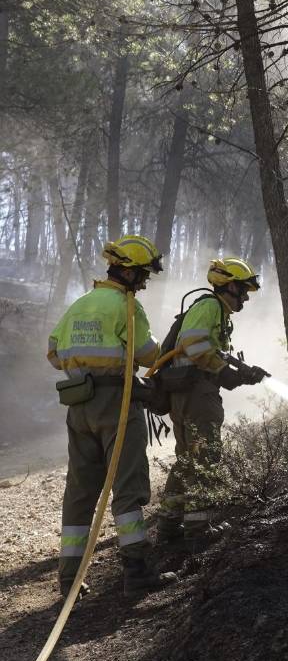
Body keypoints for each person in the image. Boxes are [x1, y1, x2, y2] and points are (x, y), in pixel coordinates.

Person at [47, 235, 173, 596]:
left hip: (79, 405)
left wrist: (85, 364)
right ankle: (137, 572)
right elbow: (149, 355)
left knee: (80, 491)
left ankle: (69, 579)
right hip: (117, 404)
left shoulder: (81, 303)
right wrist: (155, 354)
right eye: (144, 274)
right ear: (129, 273)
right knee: (128, 486)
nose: (146, 281)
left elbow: (54, 352)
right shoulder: (126, 305)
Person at [158, 257, 267, 540]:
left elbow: (210, 351)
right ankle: (198, 529)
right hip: (197, 394)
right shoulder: (210, 306)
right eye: (242, 290)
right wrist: (223, 372)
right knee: (205, 456)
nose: (245, 297)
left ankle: (169, 525)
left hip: (187, 392)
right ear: (229, 286)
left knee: (187, 459)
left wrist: (241, 371)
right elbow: (195, 346)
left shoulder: (215, 311)